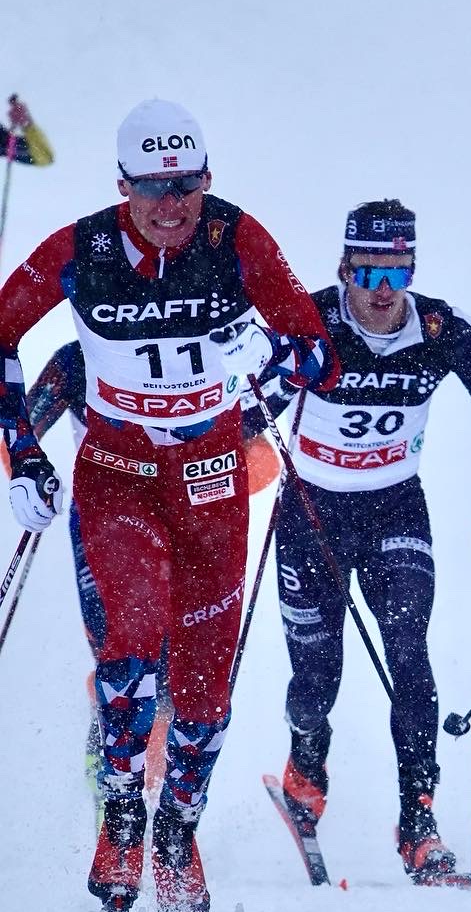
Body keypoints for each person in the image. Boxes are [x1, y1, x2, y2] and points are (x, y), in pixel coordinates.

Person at [0, 98, 335, 912]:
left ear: (207, 179)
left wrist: (268, 355)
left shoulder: (236, 238)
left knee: (205, 685)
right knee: (132, 644)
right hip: (118, 475)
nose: (171, 203)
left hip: (212, 480)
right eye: (152, 186)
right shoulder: (81, 248)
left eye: (186, 183)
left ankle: (179, 829)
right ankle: (122, 815)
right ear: (123, 186)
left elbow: (316, 354)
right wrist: (27, 453)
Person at [251, 199, 471, 884]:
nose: (380, 290)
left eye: (395, 274)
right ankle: (307, 765)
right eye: (367, 273)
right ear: (344, 268)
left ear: (412, 271)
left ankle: (419, 822)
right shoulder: (308, 320)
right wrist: (272, 394)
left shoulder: (440, 328)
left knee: (408, 651)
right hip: (311, 513)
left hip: (395, 509)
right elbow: (247, 406)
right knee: (317, 679)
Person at [22, 340, 281, 820]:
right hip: (110, 519)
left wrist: (218, 480)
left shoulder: (200, 350)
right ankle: (115, 794)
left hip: (193, 519)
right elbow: (18, 433)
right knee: (125, 657)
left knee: (176, 672)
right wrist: (34, 476)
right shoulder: (76, 360)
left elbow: (261, 453)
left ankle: (164, 809)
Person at [1, 94, 55, 166]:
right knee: (6, 144)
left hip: (35, 154)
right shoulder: (16, 111)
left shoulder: (20, 108)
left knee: (6, 145)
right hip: (34, 151)